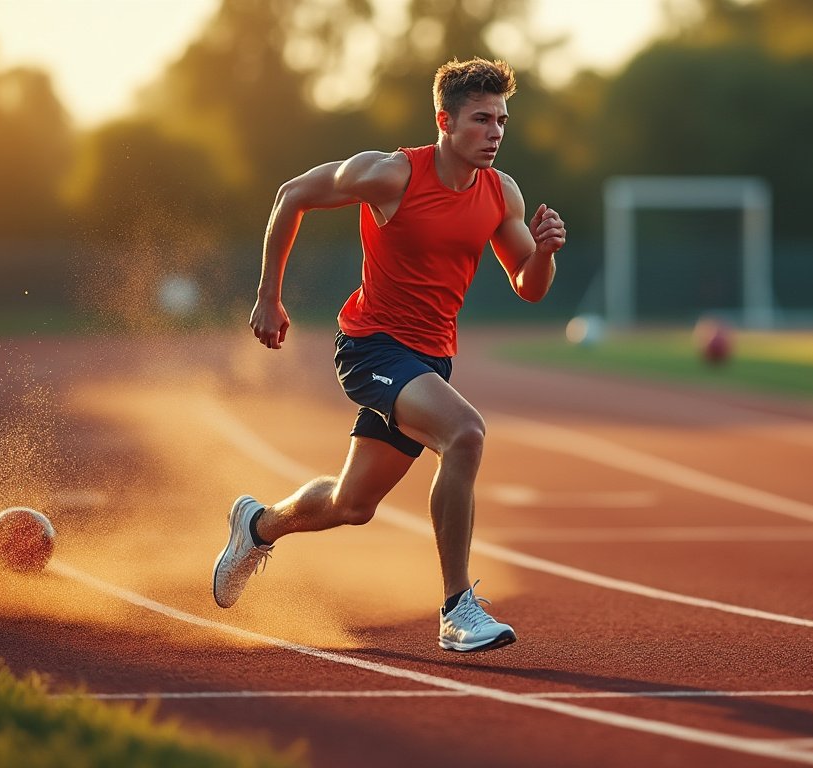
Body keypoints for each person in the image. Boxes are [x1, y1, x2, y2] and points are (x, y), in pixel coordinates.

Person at [211, 58, 564, 653]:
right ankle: (457, 609)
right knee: (466, 433)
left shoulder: (501, 193)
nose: (495, 132)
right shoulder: (389, 175)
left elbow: (528, 286)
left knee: (353, 505)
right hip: (371, 344)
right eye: (481, 119)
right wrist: (268, 296)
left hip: (430, 359)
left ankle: (257, 525)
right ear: (444, 121)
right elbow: (291, 194)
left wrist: (546, 250)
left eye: (501, 120)